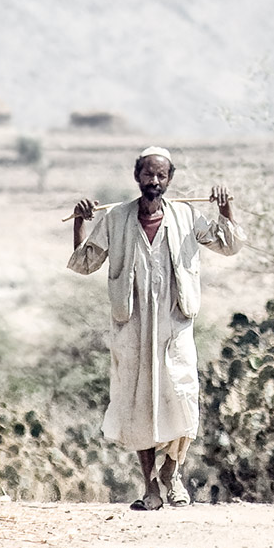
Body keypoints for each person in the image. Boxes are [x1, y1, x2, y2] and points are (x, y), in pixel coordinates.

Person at [68, 146, 244, 510]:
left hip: (175, 324)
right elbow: (85, 263)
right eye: (148, 174)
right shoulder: (116, 218)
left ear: (170, 179)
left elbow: (228, 246)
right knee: (137, 399)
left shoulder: (186, 215)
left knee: (182, 394)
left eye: (161, 175)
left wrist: (225, 207)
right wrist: (80, 222)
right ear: (137, 176)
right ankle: (150, 485)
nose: (154, 181)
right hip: (131, 326)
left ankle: (173, 475)